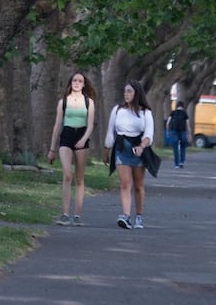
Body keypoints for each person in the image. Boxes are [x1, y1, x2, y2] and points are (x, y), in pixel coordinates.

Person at [103, 79, 156, 229]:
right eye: (125, 91)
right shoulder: (118, 110)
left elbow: (149, 135)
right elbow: (110, 131)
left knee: (138, 185)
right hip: (121, 148)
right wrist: (106, 149)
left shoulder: (145, 112)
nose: (126, 94)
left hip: (138, 150)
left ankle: (138, 215)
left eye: (129, 91)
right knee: (125, 184)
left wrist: (142, 146)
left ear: (136, 93)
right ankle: (125, 216)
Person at [47, 70, 96, 225]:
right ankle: (65, 213)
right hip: (66, 136)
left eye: (80, 81)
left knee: (79, 178)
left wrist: (84, 139)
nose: (77, 83)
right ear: (70, 82)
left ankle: (77, 215)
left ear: (84, 84)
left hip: (82, 136)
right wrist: (52, 149)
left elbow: (90, 125)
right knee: (67, 175)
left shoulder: (89, 102)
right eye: (74, 80)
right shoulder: (63, 102)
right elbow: (56, 126)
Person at [166, 100, 191, 168]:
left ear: (176, 106)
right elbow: (188, 124)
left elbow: (168, 122)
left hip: (174, 131)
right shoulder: (184, 113)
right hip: (182, 131)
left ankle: (176, 164)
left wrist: (168, 131)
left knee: (175, 148)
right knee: (183, 146)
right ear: (183, 106)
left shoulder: (173, 113)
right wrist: (189, 134)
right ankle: (181, 162)